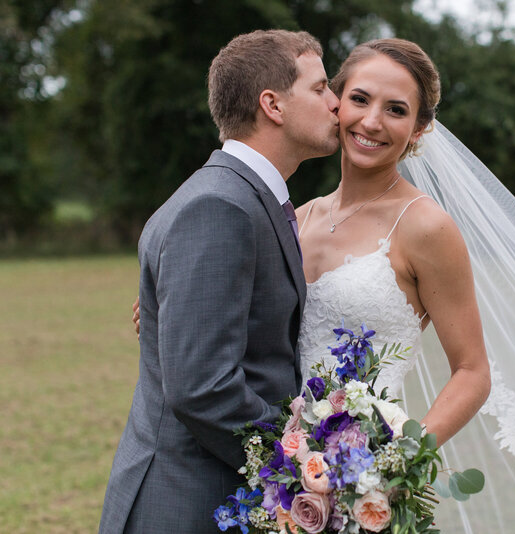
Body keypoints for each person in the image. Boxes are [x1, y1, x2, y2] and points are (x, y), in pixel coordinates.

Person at [133, 37, 515, 533]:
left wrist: (391, 463)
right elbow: (232, 307)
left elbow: (472, 370)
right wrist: (169, 303)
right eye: (357, 98)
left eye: (396, 110)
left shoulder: (426, 228)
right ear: (334, 104)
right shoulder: (293, 217)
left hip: (352, 472)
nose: (371, 121)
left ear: (419, 130)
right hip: (282, 476)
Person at [99, 29, 339, 533]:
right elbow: (203, 386)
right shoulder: (219, 207)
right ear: (272, 104)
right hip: (188, 504)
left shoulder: (246, 198)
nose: (336, 103)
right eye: (320, 88)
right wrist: (304, 464)